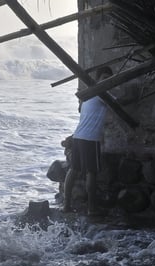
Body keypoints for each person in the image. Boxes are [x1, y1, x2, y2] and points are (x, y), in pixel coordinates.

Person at [62, 66, 113, 216]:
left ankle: (66, 205)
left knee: (74, 170)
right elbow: (122, 102)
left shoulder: (87, 95)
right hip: (90, 140)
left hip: (78, 137)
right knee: (91, 173)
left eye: (109, 78)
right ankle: (92, 208)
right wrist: (134, 95)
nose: (107, 81)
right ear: (98, 79)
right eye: (104, 78)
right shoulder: (102, 94)